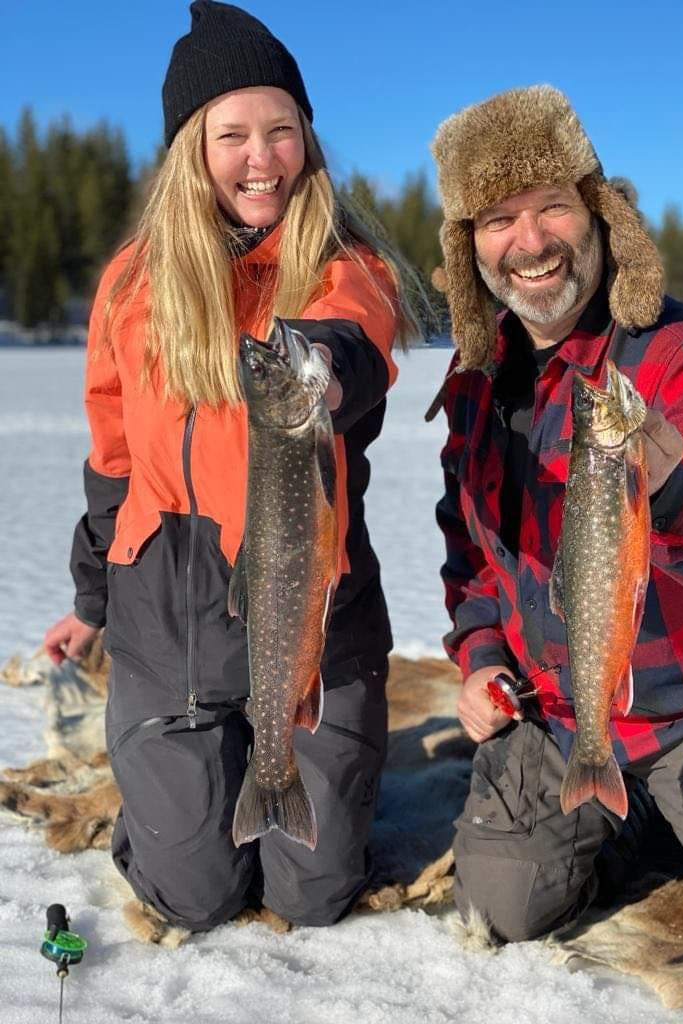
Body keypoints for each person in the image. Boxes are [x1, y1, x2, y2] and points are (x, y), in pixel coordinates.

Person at [43, 0, 420, 936]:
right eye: (235, 135)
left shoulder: (344, 263)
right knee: (193, 897)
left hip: (310, 610)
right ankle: (165, 787)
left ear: (308, 138)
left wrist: (324, 370)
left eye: (283, 130)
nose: (264, 158)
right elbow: (114, 460)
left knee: (315, 894)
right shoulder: (132, 284)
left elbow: (355, 339)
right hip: (166, 615)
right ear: (190, 150)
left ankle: (294, 766)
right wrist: (92, 603)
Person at [430, 85, 683, 983]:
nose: (530, 241)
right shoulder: (478, 382)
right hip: (563, 714)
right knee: (497, 909)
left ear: (601, 217)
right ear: (470, 249)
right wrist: (479, 654)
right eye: (498, 219)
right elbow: (466, 553)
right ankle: (641, 823)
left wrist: (676, 495)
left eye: (552, 208)